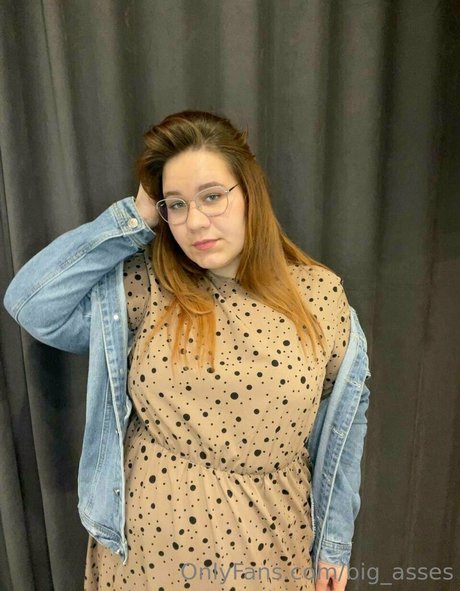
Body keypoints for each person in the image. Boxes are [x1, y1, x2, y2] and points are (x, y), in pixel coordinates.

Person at [3, 110, 371, 591]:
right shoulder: (148, 285)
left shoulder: (320, 297)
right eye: (176, 205)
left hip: (270, 546)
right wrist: (136, 218)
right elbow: (31, 303)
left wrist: (334, 545)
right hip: (148, 554)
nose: (195, 221)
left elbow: (347, 423)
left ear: (250, 192)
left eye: (212, 196)